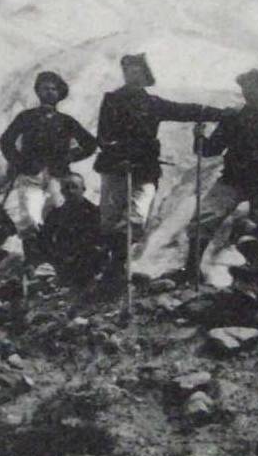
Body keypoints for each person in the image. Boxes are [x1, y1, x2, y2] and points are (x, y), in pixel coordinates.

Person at [94, 53, 227, 288]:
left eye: (137, 70)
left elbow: (185, 110)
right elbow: (104, 136)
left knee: (136, 218)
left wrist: (220, 113)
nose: (132, 74)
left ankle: (117, 267)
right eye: (128, 70)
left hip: (144, 169)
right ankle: (112, 267)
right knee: (109, 220)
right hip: (115, 167)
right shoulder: (112, 100)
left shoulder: (153, 104)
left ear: (144, 76)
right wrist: (117, 155)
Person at [190, 68, 258, 279]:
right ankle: (191, 269)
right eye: (245, 87)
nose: (248, 91)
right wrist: (199, 137)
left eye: (253, 87)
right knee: (203, 219)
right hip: (233, 178)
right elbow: (210, 150)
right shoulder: (233, 117)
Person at [0, 71, 97, 266]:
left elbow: (90, 144)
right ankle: (34, 265)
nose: (49, 92)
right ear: (38, 92)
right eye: (45, 88)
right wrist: (18, 161)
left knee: (58, 216)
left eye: (53, 89)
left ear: (59, 94)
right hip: (30, 175)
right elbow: (6, 140)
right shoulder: (26, 117)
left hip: (57, 177)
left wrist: (69, 157)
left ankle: (58, 266)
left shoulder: (66, 121)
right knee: (30, 220)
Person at [39, 173, 103, 289]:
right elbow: (45, 240)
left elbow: (97, 240)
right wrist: (56, 257)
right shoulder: (55, 214)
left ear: (83, 189)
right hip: (61, 262)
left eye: (74, 187)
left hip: (86, 261)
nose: (70, 191)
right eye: (66, 187)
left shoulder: (94, 213)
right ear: (62, 191)